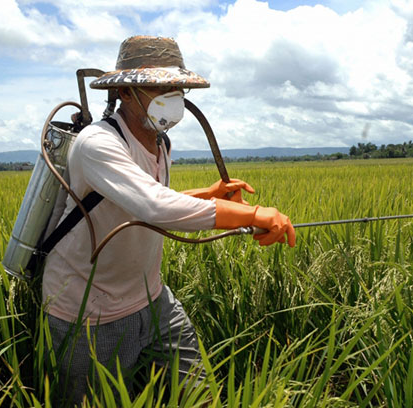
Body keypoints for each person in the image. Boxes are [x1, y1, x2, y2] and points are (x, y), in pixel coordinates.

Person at [42, 35, 296, 406]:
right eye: (160, 87)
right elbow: (154, 206)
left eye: (176, 86)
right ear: (125, 92)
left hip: (152, 298)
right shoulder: (97, 143)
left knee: (198, 396)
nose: (173, 95)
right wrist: (252, 214)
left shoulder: (161, 142)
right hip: (87, 312)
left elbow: (143, 199)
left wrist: (207, 197)